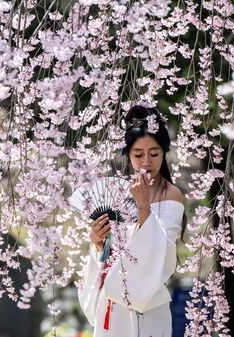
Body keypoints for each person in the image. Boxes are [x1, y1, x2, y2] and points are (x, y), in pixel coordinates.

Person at [77, 104, 186, 337]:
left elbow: (162, 254)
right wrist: (98, 244)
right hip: (112, 306)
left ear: (164, 153)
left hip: (150, 307)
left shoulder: (171, 194)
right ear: (128, 155)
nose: (146, 161)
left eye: (154, 153)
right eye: (138, 154)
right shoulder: (117, 193)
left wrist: (144, 206)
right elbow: (110, 254)